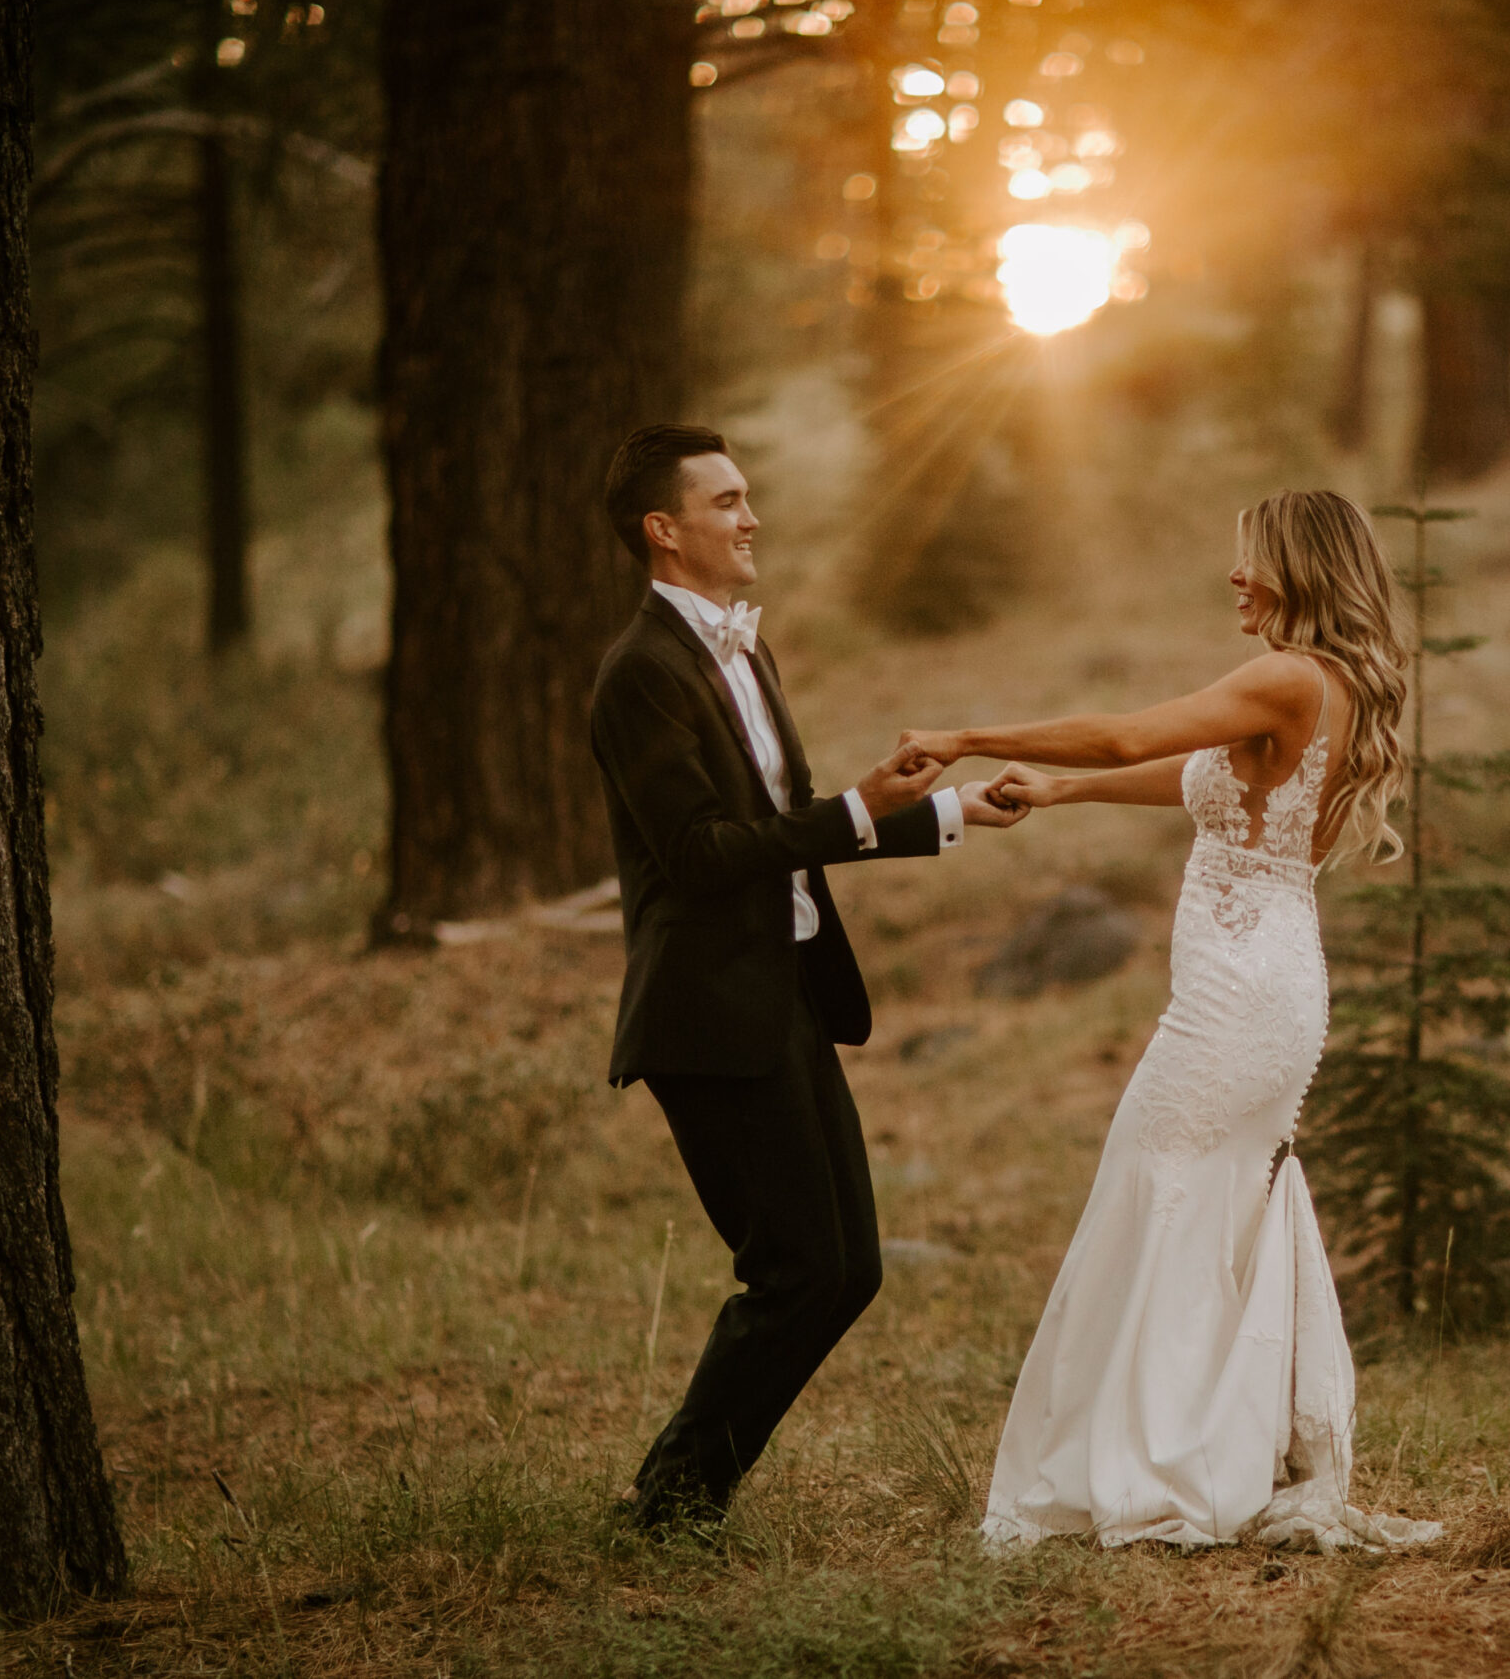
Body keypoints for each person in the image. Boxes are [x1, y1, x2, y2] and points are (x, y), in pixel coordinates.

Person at [895, 489, 1444, 1552]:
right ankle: (1204, 1449)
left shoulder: (1284, 675)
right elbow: (1198, 776)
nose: (1235, 577)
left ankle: (1157, 1466)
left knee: (1158, 1190)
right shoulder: (1319, 688)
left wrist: (967, 734)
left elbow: (1122, 731)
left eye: (1251, 560)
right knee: (1200, 1201)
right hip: (1269, 983)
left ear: (1299, 566)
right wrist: (1059, 794)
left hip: (1238, 997)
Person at [589, 423, 1026, 1533]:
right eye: (727, 501)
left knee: (850, 1269)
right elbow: (699, 857)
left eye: (748, 499)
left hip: (785, 992)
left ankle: (677, 1496)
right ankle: (672, 1504)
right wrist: (859, 807)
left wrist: (941, 815)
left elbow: (783, 828)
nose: (751, 518)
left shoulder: (742, 649)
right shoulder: (638, 674)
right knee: (795, 1271)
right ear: (665, 530)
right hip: (707, 1015)